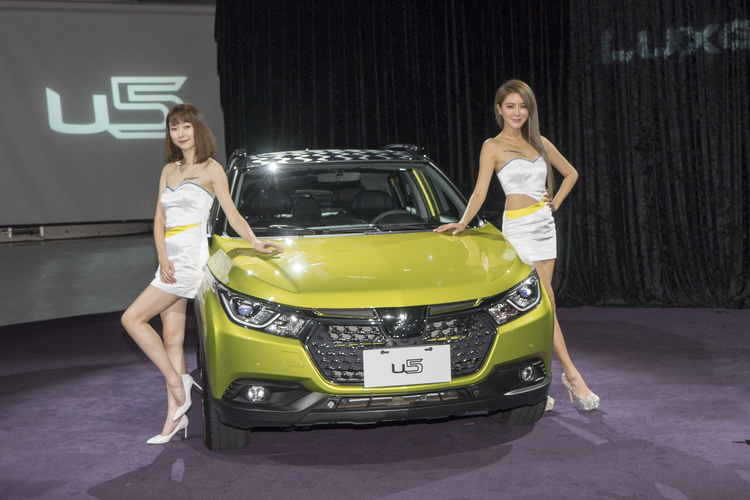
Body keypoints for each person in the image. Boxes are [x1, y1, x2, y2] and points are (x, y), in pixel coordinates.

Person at [121, 103, 283, 444]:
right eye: (173, 128)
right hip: (169, 258)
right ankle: (175, 419)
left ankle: (178, 382)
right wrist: (162, 257)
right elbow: (159, 220)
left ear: (198, 130)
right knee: (171, 338)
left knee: (132, 319)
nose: (180, 133)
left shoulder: (212, 169)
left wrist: (254, 242)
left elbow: (232, 213)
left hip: (190, 258)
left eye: (186, 127)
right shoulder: (168, 170)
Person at [435, 80, 599, 411]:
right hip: (519, 230)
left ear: (529, 110)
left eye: (523, 106)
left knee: (544, 305)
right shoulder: (492, 146)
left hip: (544, 227)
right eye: (510, 106)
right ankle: (572, 375)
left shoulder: (540, 142)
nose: (517, 112)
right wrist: (463, 222)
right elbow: (480, 191)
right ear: (499, 110)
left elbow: (571, 174)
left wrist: (555, 203)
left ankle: (539, 380)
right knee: (544, 300)